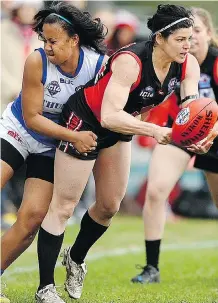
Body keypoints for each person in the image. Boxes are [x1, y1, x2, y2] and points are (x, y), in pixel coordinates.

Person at [35, 4, 204, 302]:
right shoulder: (131, 61)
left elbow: (192, 108)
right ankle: (45, 288)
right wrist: (155, 131)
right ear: (159, 38)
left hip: (123, 126)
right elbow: (109, 116)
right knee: (64, 206)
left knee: (109, 206)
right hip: (87, 120)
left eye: (189, 38)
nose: (187, 45)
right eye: (180, 39)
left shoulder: (188, 63)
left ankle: (75, 258)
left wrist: (199, 134)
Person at [0, 2, 107, 302]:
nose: (46, 47)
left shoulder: (97, 65)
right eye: (44, 40)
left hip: (52, 146)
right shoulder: (37, 62)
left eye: (53, 41)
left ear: (74, 40)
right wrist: (75, 136)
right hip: (19, 130)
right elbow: (33, 117)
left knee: (33, 217)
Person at [131, 7, 218, 284]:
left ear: (210, 34)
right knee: (156, 190)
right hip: (181, 130)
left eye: (196, 34)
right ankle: (151, 268)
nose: (189, 42)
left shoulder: (215, 63)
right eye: (184, 37)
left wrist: (211, 131)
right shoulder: (172, 61)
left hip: (214, 133)